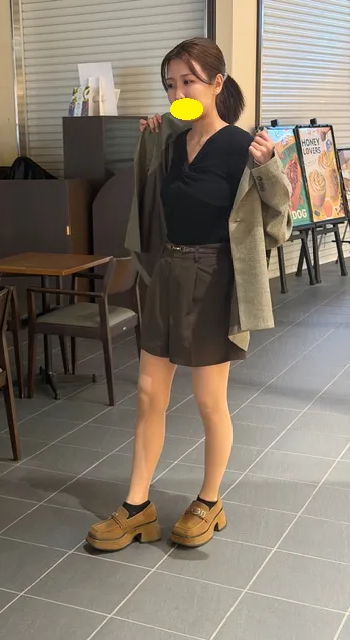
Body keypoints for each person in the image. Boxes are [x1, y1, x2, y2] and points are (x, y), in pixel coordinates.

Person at [86, 37, 292, 552]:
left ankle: (209, 500)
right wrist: (151, 138)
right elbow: (148, 199)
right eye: (171, 85)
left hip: (215, 276)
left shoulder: (243, 147)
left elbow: (279, 223)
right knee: (149, 394)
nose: (178, 93)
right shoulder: (171, 144)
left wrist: (269, 166)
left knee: (208, 400)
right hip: (168, 272)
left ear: (217, 84)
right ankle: (137, 507)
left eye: (188, 82)